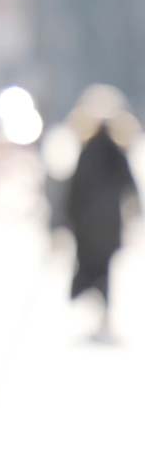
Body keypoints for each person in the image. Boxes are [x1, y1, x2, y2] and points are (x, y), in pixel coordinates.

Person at [65, 120, 139, 341]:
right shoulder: (116, 153)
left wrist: (68, 219)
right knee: (103, 273)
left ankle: (98, 319)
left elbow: (74, 190)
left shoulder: (87, 153)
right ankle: (101, 317)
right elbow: (131, 186)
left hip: (88, 227)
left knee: (91, 269)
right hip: (109, 227)